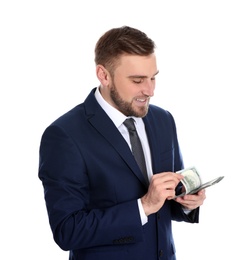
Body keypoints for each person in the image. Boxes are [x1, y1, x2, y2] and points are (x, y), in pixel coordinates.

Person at [38, 25, 206, 260]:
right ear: (104, 75)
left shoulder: (162, 120)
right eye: (137, 80)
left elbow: (167, 204)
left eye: (153, 78)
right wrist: (144, 205)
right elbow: (68, 231)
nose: (149, 91)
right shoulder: (64, 135)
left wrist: (187, 202)